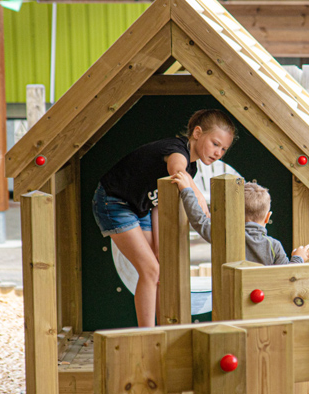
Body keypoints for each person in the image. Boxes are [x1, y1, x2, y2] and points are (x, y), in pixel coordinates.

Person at [91, 109, 236, 327]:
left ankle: (164, 328)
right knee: (150, 270)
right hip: (114, 202)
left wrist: (159, 246)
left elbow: (159, 201)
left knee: (159, 265)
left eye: (224, 149)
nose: (218, 153)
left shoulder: (193, 168)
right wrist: (196, 191)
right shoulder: (177, 150)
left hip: (142, 208)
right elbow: (177, 170)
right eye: (215, 144)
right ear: (197, 133)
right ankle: (148, 336)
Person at [170, 174, 309, 265]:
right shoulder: (273, 246)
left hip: (229, 300)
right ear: (267, 217)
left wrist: (186, 190)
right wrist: (298, 258)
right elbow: (286, 276)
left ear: (233, 214)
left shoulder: (225, 236)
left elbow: (198, 220)